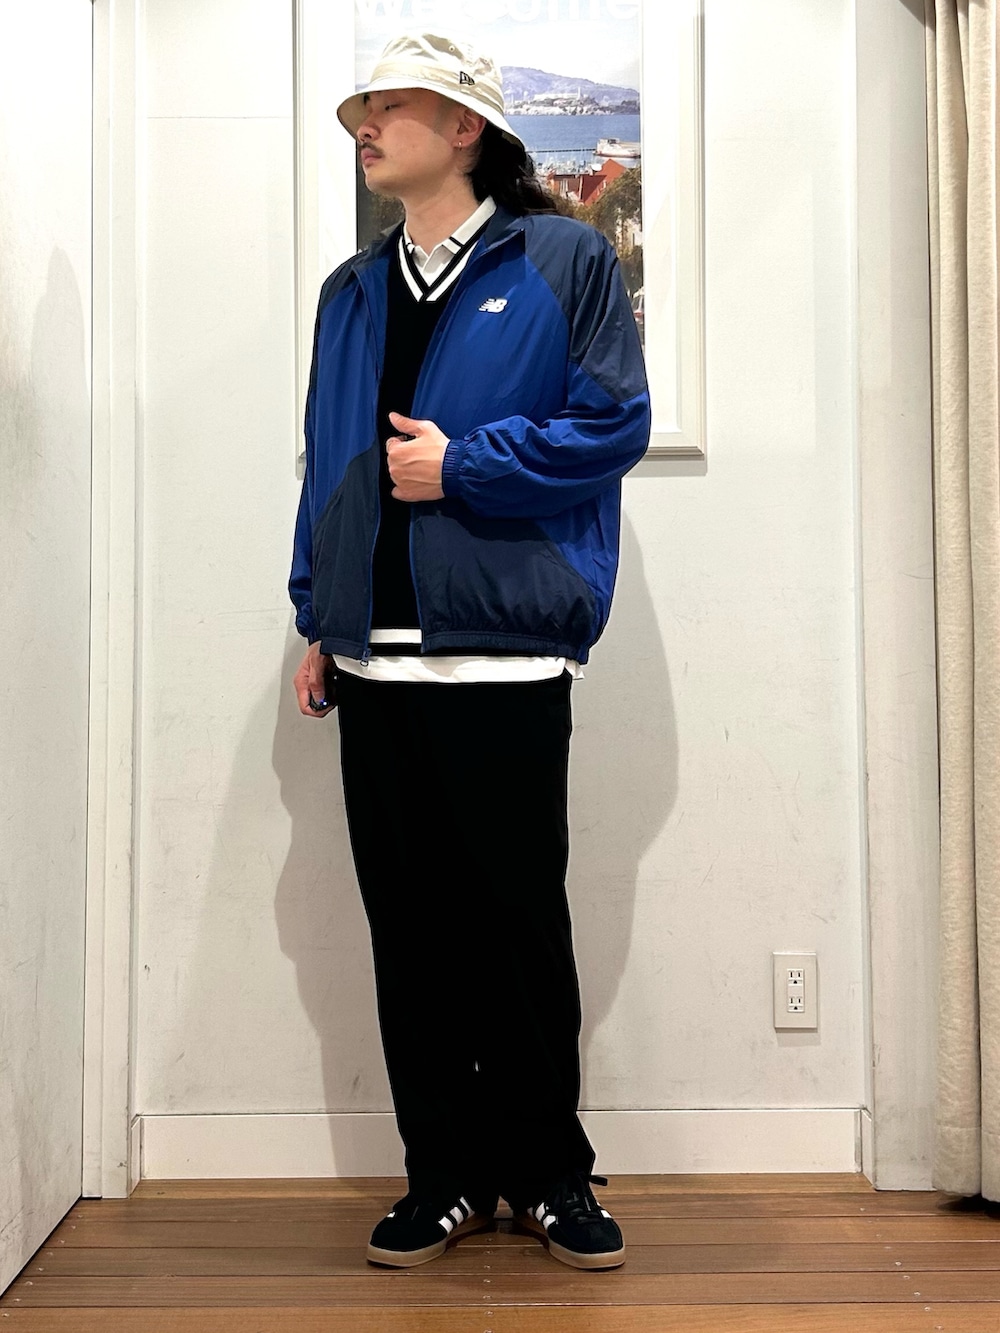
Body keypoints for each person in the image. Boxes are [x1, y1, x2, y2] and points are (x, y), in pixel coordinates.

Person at [289, 31, 650, 1272]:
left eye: (390, 106)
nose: (366, 127)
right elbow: (329, 467)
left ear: (464, 128)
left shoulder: (563, 260)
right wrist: (317, 613)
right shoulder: (348, 291)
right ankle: (440, 1176)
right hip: (375, 662)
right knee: (412, 937)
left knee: (516, 930)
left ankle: (549, 1174)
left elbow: (613, 424)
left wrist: (465, 467)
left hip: (503, 658)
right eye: (361, 111)